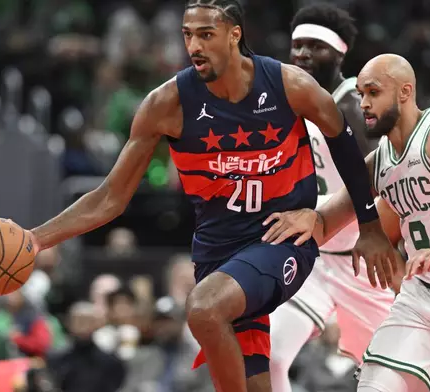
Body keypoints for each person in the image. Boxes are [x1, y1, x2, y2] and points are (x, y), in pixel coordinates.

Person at [24, 1, 396, 390]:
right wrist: (35, 239)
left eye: (206, 34)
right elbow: (109, 198)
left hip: (281, 239)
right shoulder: (166, 103)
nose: (194, 46)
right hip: (218, 253)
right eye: (188, 35)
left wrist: (369, 227)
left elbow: (355, 158)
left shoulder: (290, 86)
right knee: (257, 380)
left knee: (203, 307)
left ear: (235, 35)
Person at [262, 53, 430, 391]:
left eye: (373, 92)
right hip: (422, 297)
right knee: (374, 385)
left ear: (404, 92)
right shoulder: (379, 161)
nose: (364, 104)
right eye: (360, 94)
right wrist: (295, 221)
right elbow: (325, 225)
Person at [268, 5, 395, 391]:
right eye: (297, 46)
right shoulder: (288, 101)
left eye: (315, 47)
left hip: (364, 264)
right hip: (315, 260)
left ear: (339, 54)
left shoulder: (356, 104)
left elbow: (388, 177)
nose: (303, 54)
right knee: (268, 355)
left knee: (390, 376)